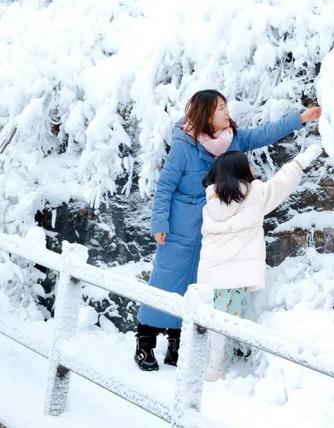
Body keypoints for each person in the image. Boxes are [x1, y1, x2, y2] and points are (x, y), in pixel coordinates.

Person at [134, 89, 321, 371]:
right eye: (220, 107)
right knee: (166, 280)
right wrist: (160, 222)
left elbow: (265, 133)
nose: (226, 111)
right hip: (179, 226)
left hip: (212, 230)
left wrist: (301, 119)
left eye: (225, 105)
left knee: (194, 286)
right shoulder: (185, 144)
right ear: (206, 114)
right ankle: (145, 342)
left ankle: (176, 342)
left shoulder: (232, 139)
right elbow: (165, 185)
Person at [197, 142, 323, 381]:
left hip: (210, 275)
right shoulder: (254, 195)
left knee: (215, 319)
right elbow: (282, 182)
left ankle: (214, 363)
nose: (253, 168)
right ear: (241, 171)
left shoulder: (211, 201)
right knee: (224, 322)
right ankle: (214, 369)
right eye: (249, 165)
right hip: (235, 276)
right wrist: (302, 159)